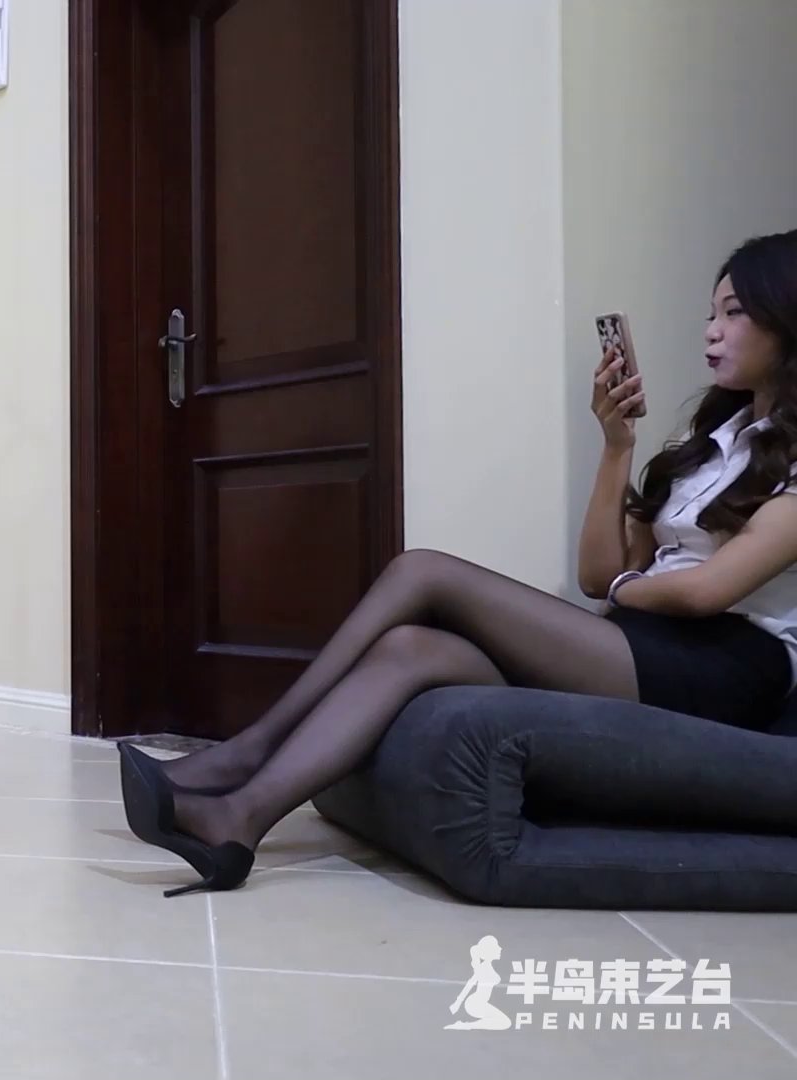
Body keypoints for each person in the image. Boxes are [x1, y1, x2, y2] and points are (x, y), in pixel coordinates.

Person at [122, 229, 797, 895]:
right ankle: (239, 818)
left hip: (727, 667)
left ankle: (246, 751)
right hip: (648, 642)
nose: (712, 332)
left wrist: (627, 587)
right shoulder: (708, 445)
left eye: (734, 312)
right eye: (711, 314)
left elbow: (703, 592)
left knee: (423, 571)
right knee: (412, 648)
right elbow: (597, 574)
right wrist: (617, 446)